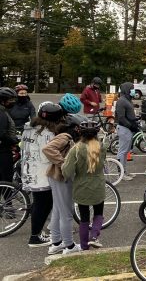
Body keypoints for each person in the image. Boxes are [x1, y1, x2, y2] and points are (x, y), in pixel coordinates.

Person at [21, 102, 64, 248]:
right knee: (42, 205)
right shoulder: (47, 133)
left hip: (28, 170)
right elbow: (47, 155)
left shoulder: (28, 127)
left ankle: (38, 232)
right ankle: (35, 237)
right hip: (41, 174)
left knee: (40, 203)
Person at [42, 113, 85, 255]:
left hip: (55, 177)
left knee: (58, 210)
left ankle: (56, 243)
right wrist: (64, 164)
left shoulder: (69, 136)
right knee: (67, 212)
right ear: (75, 127)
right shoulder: (65, 137)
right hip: (60, 177)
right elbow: (48, 149)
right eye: (80, 127)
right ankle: (69, 245)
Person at [62, 120, 105, 251]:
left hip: (81, 187)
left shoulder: (76, 149)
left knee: (84, 217)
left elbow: (67, 172)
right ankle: (94, 236)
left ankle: (84, 246)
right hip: (98, 185)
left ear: (80, 132)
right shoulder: (101, 147)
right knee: (98, 213)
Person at [115, 83, 139, 180]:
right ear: (126, 89)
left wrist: (135, 120)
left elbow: (129, 115)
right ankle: (121, 174)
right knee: (122, 152)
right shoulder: (121, 101)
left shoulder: (127, 100)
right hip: (124, 128)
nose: (133, 90)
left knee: (126, 152)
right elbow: (121, 118)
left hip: (128, 129)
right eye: (132, 89)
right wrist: (131, 126)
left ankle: (124, 171)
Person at [0, 87, 19, 182]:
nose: (13, 102)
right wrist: (14, 141)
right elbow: (1, 133)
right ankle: (8, 197)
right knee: (6, 180)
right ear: (2, 101)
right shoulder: (1, 114)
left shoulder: (3, 111)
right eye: (10, 99)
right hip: (3, 152)